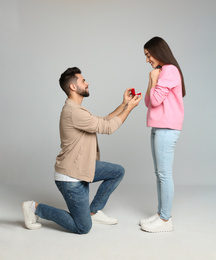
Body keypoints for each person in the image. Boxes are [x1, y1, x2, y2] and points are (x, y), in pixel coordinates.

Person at [22, 67, 142, 234]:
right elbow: (108, 127)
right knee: (83, 227)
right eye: (83, 81)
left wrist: (124, 104)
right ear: (73, 87)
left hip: (82, 167)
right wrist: (130, 109)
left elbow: (104, 120)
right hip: (70, 177)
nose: (87, 83)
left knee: (117, 172)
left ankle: (93, 211)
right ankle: (34, 208)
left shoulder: (77, 110)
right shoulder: (74, 112)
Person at [140, 37, 186, 233]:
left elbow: (156, 100)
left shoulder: (169, 71)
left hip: (167, 129)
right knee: (160, 174)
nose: (147, 59)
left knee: (164, 174)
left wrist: (152, 79)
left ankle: (166, 220)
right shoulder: (162, 72)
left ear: (159, 52)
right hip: (158, 127)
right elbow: (147, 102)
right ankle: (161, 214)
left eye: (149, 55)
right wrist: (153, 79)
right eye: (146, 56)